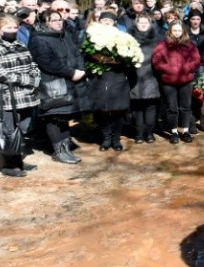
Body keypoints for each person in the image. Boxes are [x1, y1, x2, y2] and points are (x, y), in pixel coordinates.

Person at [28, 10, 89, 164]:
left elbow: (77, 53)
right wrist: (71, 72)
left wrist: (81, 70)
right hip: (52, 83)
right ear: (44, 22)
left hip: (70, 81)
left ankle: (65, 147)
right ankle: (59, 151)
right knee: (53, 117)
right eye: (53, 20)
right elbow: (47, 62)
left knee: (63, 116)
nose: (58, 22)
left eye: (60, 19)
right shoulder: (38, 39)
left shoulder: (65, 35)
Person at [0, 14, 41, 177]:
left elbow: (32, 64)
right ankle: (8, 164)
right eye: (8, 28)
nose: (13, 31)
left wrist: (36, 77)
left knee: (24, 128)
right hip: (6, 96)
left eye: (15, 27)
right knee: (9, 130)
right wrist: (27, 80)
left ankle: (17, 159)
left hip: (27, 95)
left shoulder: (21, 44)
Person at [85, 12, 134, 151]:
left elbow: (129, 58)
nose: (107, 22)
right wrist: (97, 57)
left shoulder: (122, 37)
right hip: (99, 79)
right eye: (104, 19)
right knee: (102, 110)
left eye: (110, 20)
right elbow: (85, 55)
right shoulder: (91, 37)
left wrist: (114, 60)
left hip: (118, 77)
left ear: (114, 23)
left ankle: (116, 138)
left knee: (118, 110)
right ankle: (106, 138)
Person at [152, 21, 201, 144]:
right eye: (174, 30)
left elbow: (196, 60)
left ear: (183, 32)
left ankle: (185, 131)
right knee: (172, 108)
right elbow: (156, 61)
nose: (177, 33)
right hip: (168, 81)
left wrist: (187, 68)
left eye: (179, 30)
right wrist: (168, 69)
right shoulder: (162, 45)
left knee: (185, 107)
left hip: (186, 80)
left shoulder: (190, 45)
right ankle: (173, 132)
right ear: (170, 31)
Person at [129, 14, 161, 143]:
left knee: (150, 107)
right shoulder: (128, 39)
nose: (143, 24)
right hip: (134, 76)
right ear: (136, 24)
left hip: (152, 77)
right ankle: (139, 134)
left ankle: (149, 133)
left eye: (145, 23)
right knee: (137, 107)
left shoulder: (157, 39)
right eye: (140, 22)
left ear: (150, 24)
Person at [186, 9, 204, 132]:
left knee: (203, 95)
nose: (195, 21)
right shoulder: (184, 34)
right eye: (193, 19)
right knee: (190, 95)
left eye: (198, 19)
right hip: (189, 68)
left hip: (203, 68)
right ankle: (191, 122)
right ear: (189, 20)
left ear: (201, 20)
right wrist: (202, 58)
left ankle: (203, 122)